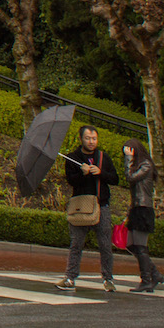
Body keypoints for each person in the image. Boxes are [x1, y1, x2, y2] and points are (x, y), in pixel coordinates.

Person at [56, 125, 119, 292]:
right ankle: (70, 277)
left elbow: (115, 179)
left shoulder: (103, 158)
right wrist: (82, 173)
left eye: (94, 139)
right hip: (81, 206)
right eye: (88, 138)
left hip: (101, 205)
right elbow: (71, 180)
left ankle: (108, 279)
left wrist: (100, 172)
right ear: (81, 139)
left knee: (105, 244)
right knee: (76, 243)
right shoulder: (72, 158)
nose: (91, 142)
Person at [122, 139, 164, 293]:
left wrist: (129, 160)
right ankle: (155, 274)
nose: (127, 154)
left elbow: (130, 177)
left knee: (140, 246)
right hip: (136, 208)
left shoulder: (145, 165)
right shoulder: (139, 165)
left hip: (143, 209)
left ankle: (147, 279)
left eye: (129, 151)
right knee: (131, 245)